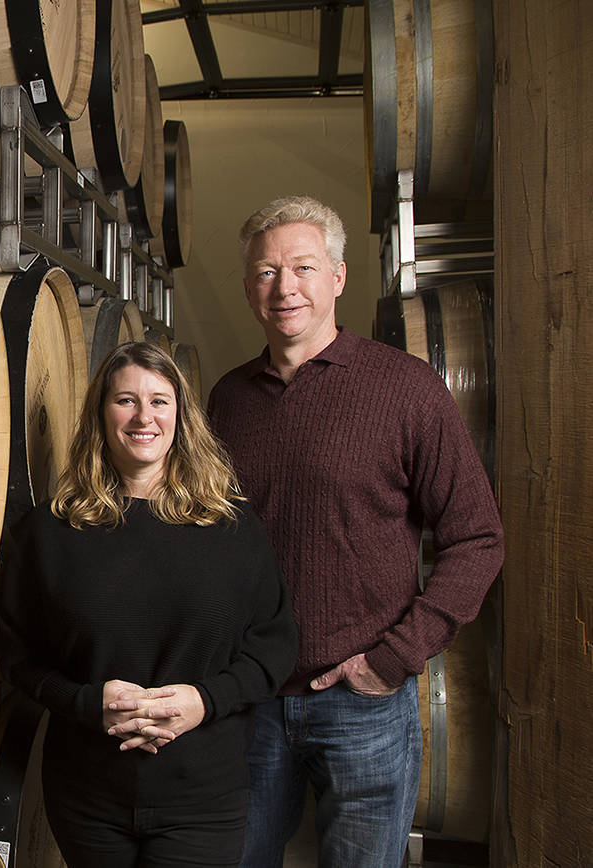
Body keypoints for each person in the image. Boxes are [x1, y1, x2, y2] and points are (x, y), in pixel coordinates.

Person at [207, 196, 505, 867]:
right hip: (252, 697)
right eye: (265, 272)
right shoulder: (228, 399)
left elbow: (478, 539)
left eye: (303, 268)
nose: (284, 288)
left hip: (364, 703)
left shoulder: (407, 389)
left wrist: (395, 657)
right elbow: (208, 541)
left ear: (338, 278)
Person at [0, 341, 297, 868]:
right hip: (88, 795)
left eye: (160, 401)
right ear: (100, 413)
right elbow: (18, 657)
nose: (143, 417)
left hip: (203, 798)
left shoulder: (230, 526)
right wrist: (90, 703)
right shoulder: (49, 532)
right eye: (126, 400)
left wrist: (205, 701)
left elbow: (274, 650)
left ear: (180, 416)